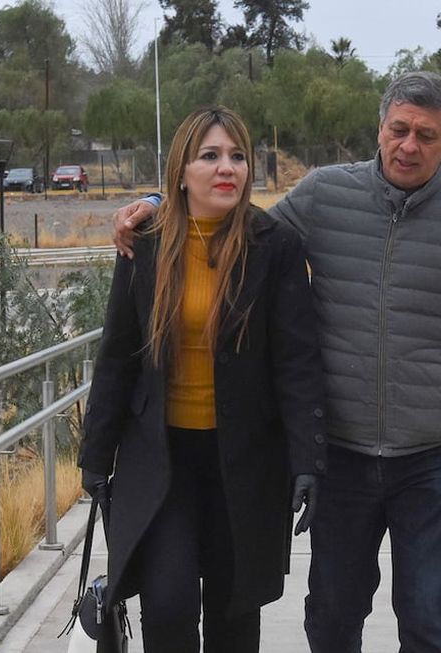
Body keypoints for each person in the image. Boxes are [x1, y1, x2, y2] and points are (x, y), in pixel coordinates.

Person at [111, 72, 441, 653]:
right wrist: (160, 204)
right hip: (343, 453)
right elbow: (239, 226)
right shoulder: (325, 194)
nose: (410, 145)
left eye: (426, 135)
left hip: (433, 456)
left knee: (428, 617)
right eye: (399, 129)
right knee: (333, 614)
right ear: (380, 129)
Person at [79, 106, 326, 652]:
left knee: (234, 613)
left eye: (238, 157)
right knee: (166, 604)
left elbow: (296, 361)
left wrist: (308, 459)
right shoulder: (145, 243)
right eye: (210, 156)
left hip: (246, 463)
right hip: (161, 461)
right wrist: (95, 455)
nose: (227, 169)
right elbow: (118, 354)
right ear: (181, 171)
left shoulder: (274, 246)